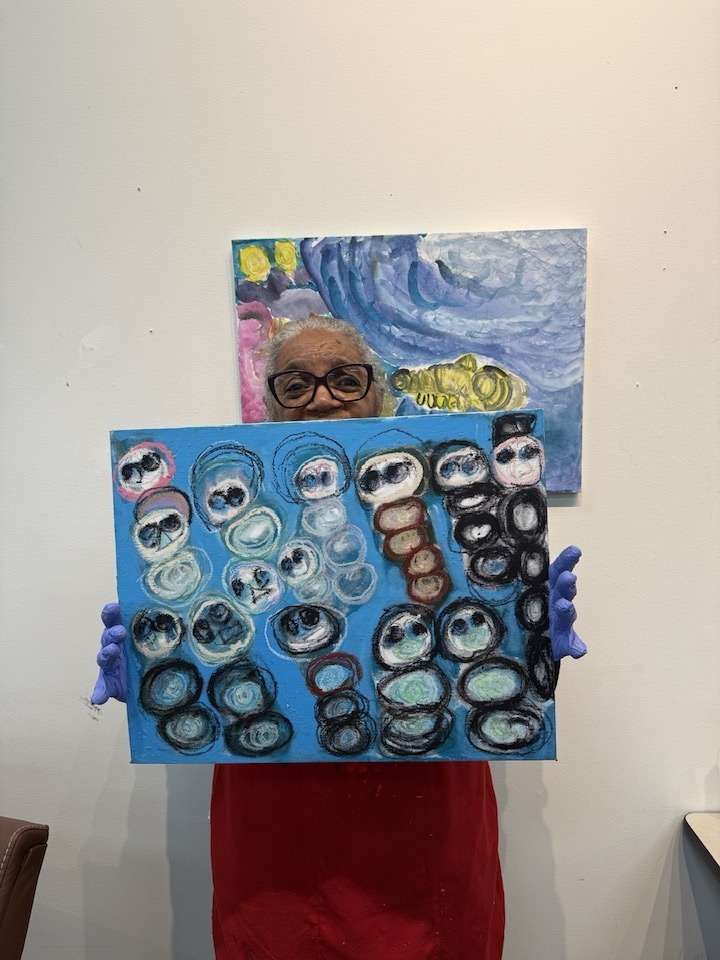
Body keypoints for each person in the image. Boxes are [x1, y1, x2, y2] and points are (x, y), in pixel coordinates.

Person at [93, 315, 585, 960]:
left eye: (345, 379)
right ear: (268, 406)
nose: (322, 398)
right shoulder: (218, 540)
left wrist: (532, 647)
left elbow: (484, 665)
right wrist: (148, 674)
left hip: (428, 818)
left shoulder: (450, 508)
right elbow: (207, 675)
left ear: (378, 394)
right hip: (274, 824)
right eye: (295, 384)